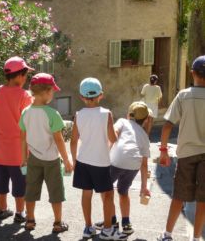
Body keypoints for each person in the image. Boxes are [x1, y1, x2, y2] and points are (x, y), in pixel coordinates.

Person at [70, 77, 127, 240]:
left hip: (83, 161)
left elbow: (74, 141)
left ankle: (88, 227)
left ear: (81, 96)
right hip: (101, 162)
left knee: (86, 194)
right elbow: (113, 138)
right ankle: (108, 231)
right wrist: (118, 131)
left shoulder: (78, 115)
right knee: (108, 195)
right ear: (101, 95)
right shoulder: (106, 114)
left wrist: (74, 161)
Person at [157, 55, 205, 241]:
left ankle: (167, 234)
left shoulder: (184, 96)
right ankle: (196, 237)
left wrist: (163, 151)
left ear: (192, 73)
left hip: (186, 154)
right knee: (203, 200)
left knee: (179, 196)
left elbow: (168, 124)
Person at [19, 73, 73, 232]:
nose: (53, 95)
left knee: (31, 191)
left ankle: (30, 221)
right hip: (51, 160)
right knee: (56, 191)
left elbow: (22, 138)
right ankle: (57, 223)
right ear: (45, 92)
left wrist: (24, 158)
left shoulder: (25, 112)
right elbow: (59, 140)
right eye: (52, 92)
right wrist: (67, 160)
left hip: (33, 158)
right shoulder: (52, 114)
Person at [0, 56, 34, 222]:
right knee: (20, 182)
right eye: (25, 74)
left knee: (0, 180)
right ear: (19, 75)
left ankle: (1, 209)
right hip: (19, 151)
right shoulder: (25, 95)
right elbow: (29, 123)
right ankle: (20, 213)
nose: (26, 78)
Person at [95, 101, 151, 237]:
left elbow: (113, 135)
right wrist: (144, 186)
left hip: (116, 160)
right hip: (133, 165)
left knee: (105, 190)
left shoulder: (122, 121)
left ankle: (111, 220)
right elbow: (144, 164)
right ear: (146, 120)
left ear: (128, 115)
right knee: (123, 191)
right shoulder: (144, 136)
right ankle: (126, 223)